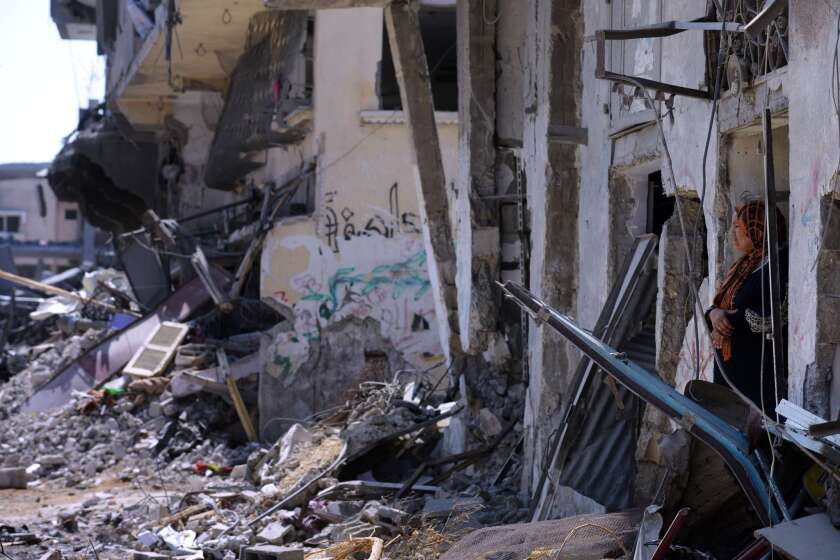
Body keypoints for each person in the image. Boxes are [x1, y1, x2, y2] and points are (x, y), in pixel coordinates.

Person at [706, 200, 788, 410]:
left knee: (754, 436)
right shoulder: (745, 264)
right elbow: (720, 305)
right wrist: (715, 314)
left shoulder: (779, 265)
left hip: (756, 378)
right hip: (730, 375)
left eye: (739, 229)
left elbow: (775, 316)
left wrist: (728, 318)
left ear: (758, 230)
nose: (733, 234)